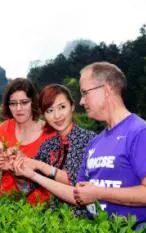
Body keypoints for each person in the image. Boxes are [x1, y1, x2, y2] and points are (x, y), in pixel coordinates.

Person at [14, 62, 146, 230]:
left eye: (85, 93)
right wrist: (31, 174)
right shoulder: (96, 143)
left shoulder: (141, 133)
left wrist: (98, 193)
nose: (81, 101)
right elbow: (78, 194)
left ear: (107, 89)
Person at [14, 84, 96, 212]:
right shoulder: (48, 145)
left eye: (62, 107)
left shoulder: (89, 140)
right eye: (50, 111)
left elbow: (76, 183)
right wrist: (16, 167)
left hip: (84, 219)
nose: (57, 116)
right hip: (55, 219)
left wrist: (40, 166)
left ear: (72, 106)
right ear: (44, 115)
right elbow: (27, 186)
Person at [0, 78, 56, 203]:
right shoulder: (3, 129)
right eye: (13, 103)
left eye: (24, 102)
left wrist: (17, 169)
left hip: (42, 207)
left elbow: (56, 179)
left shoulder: (50, 134)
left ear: (33, 102)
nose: (18, 109)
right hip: (7, 203)